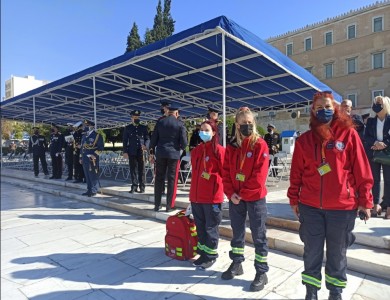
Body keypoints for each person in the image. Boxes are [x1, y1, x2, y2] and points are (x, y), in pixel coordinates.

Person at [287, 91, 373, 300]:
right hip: (310, 206)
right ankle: (311, 291)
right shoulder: (304, 140)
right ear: (313, 112)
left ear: (334, 109)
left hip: (342, 208)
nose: (323, 110)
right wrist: (294, 200)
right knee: (312, 252)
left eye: (327, 106)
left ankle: (335, 293)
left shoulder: (348, 134)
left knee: (337, 253)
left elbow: (362, 170)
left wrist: (365, 201)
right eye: (319, 108)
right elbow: (296, 173)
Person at [221, 107, 270, 292]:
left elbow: (259, 175)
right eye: (243, 124)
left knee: (259, 235)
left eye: (250, 123)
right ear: (237, 125)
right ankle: (237, 263)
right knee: (237, 232)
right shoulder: (232, 146)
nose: (247, 126)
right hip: (236, 198)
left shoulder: (260, 145)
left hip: (255, 198)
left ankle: (261, 272)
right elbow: (225, 172)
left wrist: (242, 194)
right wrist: (230, 193)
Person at [190, 120, 225, 269]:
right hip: (197, 197)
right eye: (201, 130)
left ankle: (211, 255)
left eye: (207, 130)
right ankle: (203, 253)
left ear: (214, 132)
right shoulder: (197, 151)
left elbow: (225, 173)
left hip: (211, 197)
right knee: (200, 227)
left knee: (211, 228)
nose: (203, 132)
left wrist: (211, 177)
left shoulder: (219, 150)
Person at [149, 104, 188, 212]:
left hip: (161, 153)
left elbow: (153, 141)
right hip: (173, 155)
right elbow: (184, 143)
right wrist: (179, 147)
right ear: (176, 113)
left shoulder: (160, 122)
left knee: (159, 179)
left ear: (168, 112)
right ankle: (169, 206)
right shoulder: (180, 124)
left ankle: (157, 205)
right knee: (171, 180)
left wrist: (151, 153)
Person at [364, 95, 390, 219]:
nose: (376, 106)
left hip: (388, 154)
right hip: (374, 154)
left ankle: (388, 207)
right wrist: (375, 143)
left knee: (388, 180)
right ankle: (376, 205)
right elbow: (367, 136)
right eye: (375, 103)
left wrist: (384, 144)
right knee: (375, 180)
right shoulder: (371, 121)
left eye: (379, 103)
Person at [123, 110, 150, 193]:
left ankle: (142, 187)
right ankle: (134, 186)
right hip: (132, 151)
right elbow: (125, 141)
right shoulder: (128, 128)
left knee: (142, 169)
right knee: (133, 169)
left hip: (141, 151)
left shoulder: (143, 127)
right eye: (134, 117)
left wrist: (146, 145)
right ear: (131, 118)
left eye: (137, 117)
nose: (136, 119)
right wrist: (125, 152)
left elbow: (147, 138)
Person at [79, 119, 104, 197]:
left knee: (92, 174)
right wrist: (80, 157)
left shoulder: (97, 136)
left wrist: (95, 155)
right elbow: (82, 148)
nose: (85, 127)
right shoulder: (84, 136)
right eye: (85, 126)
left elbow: (101, 148)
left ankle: (93, 190)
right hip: (85, 158)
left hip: (92, 159)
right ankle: (89, 189)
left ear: (92, 126)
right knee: (87, 175)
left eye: (87, 126)